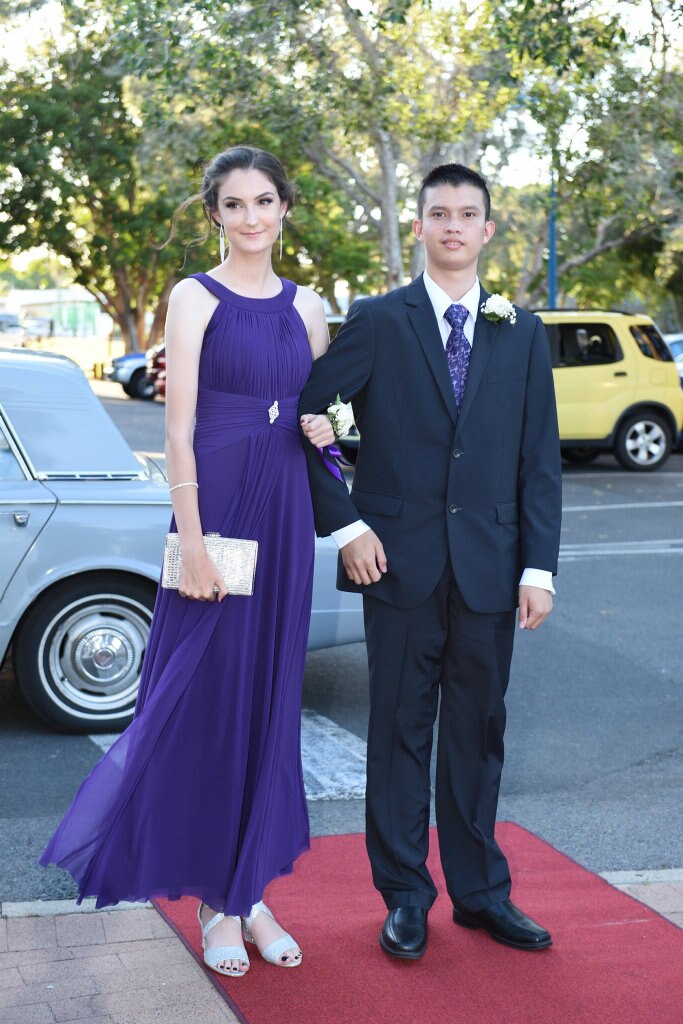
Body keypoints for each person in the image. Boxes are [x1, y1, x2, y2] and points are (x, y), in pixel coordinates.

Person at [41, 146, 335, 978]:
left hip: (280, 522)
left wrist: (328, 436)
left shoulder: (308, 307)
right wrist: (193, 543)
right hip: (214, 522)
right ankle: (214, 901)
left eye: (265, 201)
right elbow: (176, 430)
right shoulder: (192, 297)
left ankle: (249, 892)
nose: (250, 217)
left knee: (268, 711)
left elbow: (324, 426)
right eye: (234, 204)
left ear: (284, 209)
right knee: (202, 708)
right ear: (214, 213)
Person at [299, 163, 562, 959]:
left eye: (467, 214)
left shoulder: (520, 331)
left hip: (491, 565)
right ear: (418, 226)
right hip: (399, 565)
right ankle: (405, 896)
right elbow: (310, 416)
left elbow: (538, 457)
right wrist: (346, 527)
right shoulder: (380, 319)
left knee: (479, 735)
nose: (452, 225)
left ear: (486, 230)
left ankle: (481, 895)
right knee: (400, 733)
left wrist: (538, 568)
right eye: (438, 213)